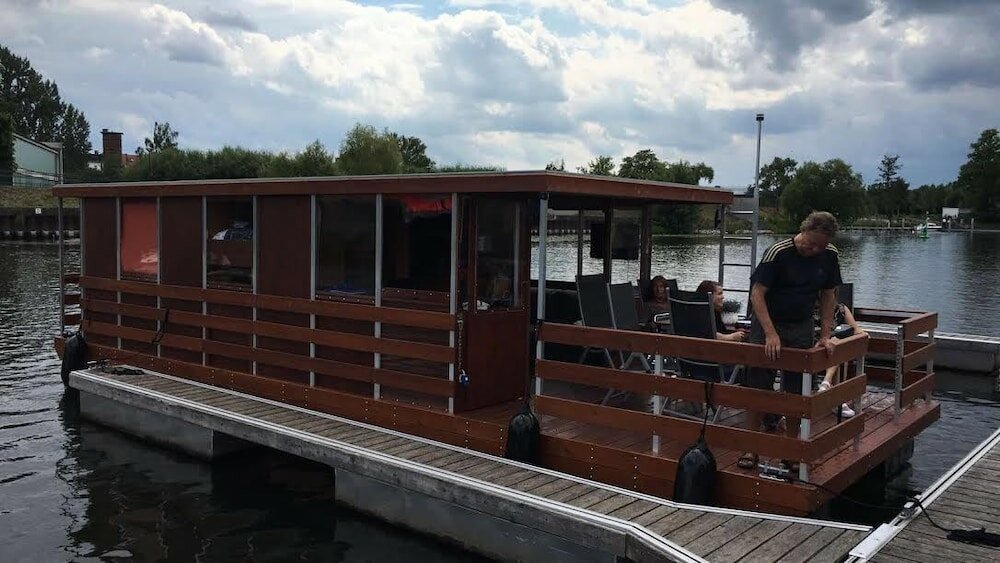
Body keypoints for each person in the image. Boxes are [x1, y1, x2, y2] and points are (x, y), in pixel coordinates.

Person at [738, 211, 842, 471]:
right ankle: (751, 446)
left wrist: (825, 334)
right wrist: (771, 333)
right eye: (811, 243)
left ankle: (791, 449)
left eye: (821, 245)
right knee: (758, 384)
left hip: (801, 325)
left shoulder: (830, 255)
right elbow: (757, 294)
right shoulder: (778, 253)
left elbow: (829, 295)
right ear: (803, 230)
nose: (815, 249)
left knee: (797, 388)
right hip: (767, 323)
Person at [817, 296, 865, 417]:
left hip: (835, 348)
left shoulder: (842, 310)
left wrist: (862, 335)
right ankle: (828, 386)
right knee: (835, 346)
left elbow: (857, 330)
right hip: (816, 347)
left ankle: (827, 385)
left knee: (837, 344)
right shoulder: (811, 310)